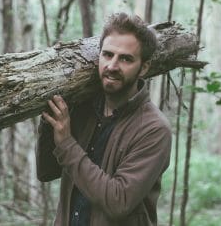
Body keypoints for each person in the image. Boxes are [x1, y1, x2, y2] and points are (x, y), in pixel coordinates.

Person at [36, 12, 172, 226]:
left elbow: (119, 201)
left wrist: (66, 143)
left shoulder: (154, 129)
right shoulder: (82, 109)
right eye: (107, 55)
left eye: (125, 58)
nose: (112, 66)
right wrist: (49, 119)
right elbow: (46, 172)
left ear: (143, 67)